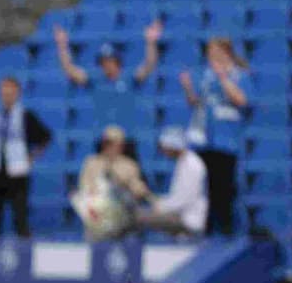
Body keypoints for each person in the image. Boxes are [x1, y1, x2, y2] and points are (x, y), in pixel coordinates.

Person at [54, 20, 162, 170]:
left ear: (117, 62)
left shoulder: (129, 79)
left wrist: (151, 43)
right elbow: (70, 70)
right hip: (104, 139)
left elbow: (149, 65)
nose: (107, 65)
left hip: (126, 139)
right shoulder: (95, 81)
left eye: (110, 61)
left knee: (132, 177)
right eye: (104, 62)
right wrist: (62, 46)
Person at [178, 38, 249, 237]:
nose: (212, 56)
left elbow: (241, 100)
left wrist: (223, 78)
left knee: (224, 188)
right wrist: (187, 88)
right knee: (203, 189)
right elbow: (195, 102)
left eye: (215, 52)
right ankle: (206, 231)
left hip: (226, 141)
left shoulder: (238, 75)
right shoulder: (205, 77)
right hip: (204, 140)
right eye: (209, 52)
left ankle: (226, 230)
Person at [0, 75, 52, 238]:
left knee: (20, 217)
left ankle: (25, 256)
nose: (7, 95)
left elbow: (46, 136)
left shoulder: (26, 116)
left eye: (11, 92)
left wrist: (32, 157)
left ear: (18, 93)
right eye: (4, 91)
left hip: (17, 173)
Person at [72, 125, 150, 241]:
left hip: (121, 212)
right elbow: (84, 185)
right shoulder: (91, 162)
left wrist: (131, 186)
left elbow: (137, 189)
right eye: (108, 143)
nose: (111, 147)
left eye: (115, 143)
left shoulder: (129, 165)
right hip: (98, 211)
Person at [133, 128, 209, 237]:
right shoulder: (184, 162)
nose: (164, 152)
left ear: (173, 146)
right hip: (180, 215)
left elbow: (184, 199)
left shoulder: (191, 165)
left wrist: (160, 207)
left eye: (165, 148)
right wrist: (159, 202)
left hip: (188, 221)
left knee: (137, 216)